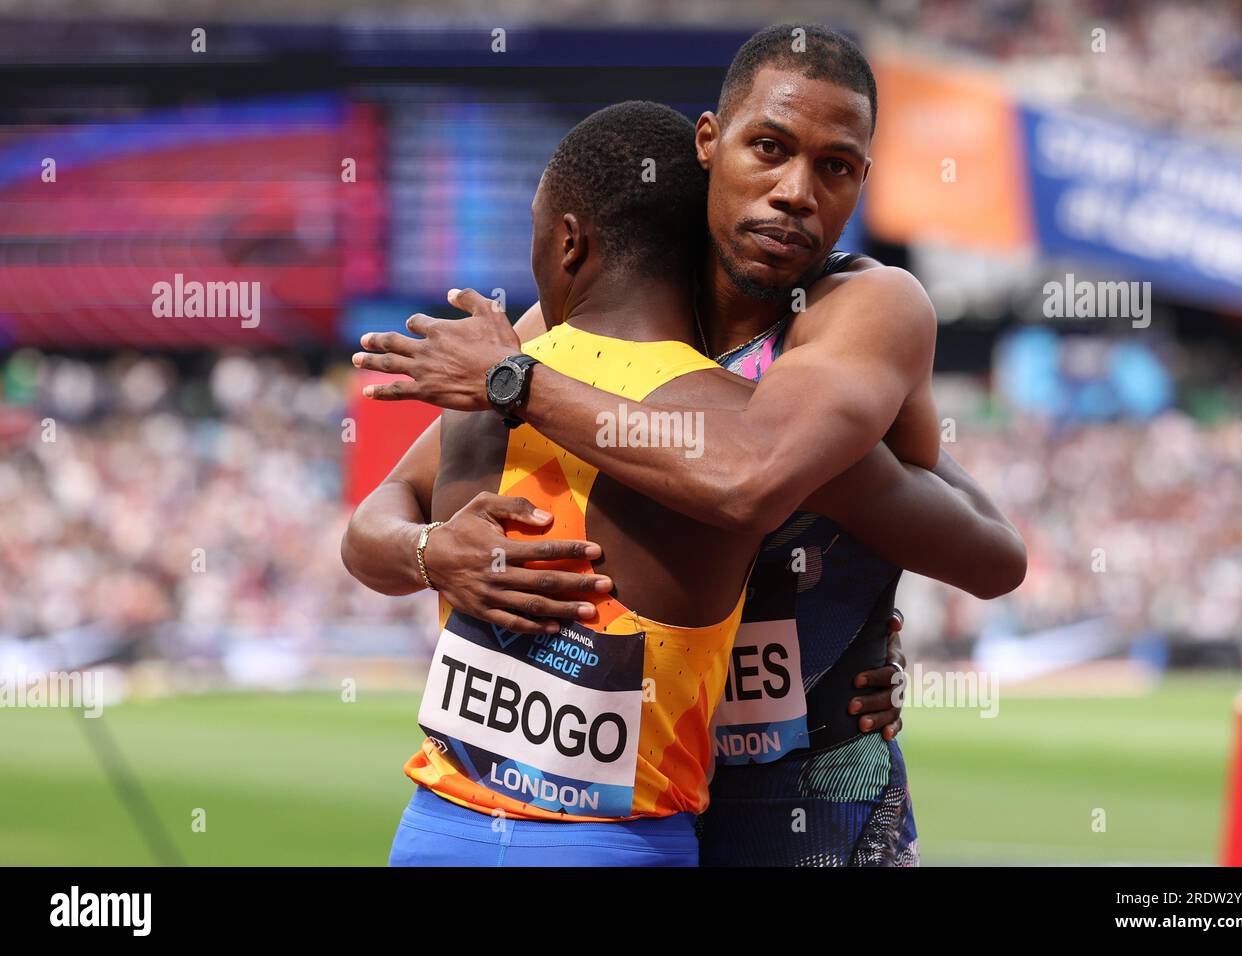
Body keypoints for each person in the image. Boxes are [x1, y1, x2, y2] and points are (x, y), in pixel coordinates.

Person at [348, 26, 1026, 866]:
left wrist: (518, 383)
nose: (793, 193)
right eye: (768, 149)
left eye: (834, 167)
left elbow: (762, 480)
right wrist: (430, 553)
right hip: (631, 805)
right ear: (710, 143)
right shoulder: (600, 306)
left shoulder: (860, 310)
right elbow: (384, 512)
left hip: (806, 797)